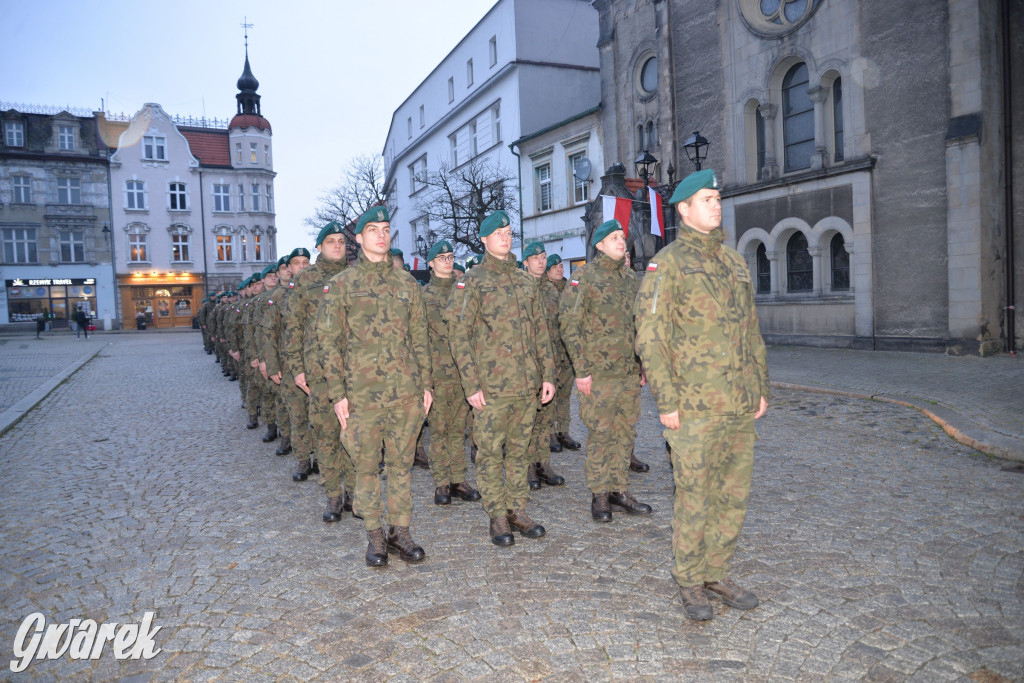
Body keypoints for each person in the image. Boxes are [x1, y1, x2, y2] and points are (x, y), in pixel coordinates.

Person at [634, 169, 769, 621]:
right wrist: (666, 402)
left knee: (733, 494)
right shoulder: (666, 264)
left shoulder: (734, 263)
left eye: (717, 198)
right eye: (707, 199)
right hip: (692, 407)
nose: (716, 205)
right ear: (684, 209)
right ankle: (690, 580)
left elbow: (750, 332)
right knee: (694, 494)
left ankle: (716, 571)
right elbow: (650, 338)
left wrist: (760, 387)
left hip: (735, 403)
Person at [317, 206, 432, 567]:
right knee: (366, 467)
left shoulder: (407, 284)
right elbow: (328, 343)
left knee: (401, 465)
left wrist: (425, 385)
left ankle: (400, 530)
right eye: (373, 230)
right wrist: (338, 394)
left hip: (405, 393)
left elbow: (420, 338)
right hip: (362, 395)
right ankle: (375, 534)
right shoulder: (342, 285)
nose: (382, 235)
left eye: (386, 229)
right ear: (360, 238)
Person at [446, 210, 556, 546]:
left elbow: (540, 330)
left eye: (508, 232)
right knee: (491, 452)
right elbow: (459, 335)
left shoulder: (525, 280)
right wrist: (471, 385)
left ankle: (517, 510)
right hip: (492, 387)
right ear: (484, 239)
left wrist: (548, 373)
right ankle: (497, 515)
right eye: (498, 233)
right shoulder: (473, 281)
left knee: (520, 452)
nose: (505, 238)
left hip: (526, 385)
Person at [560, 220, 651, 523]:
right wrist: (581, 370)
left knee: (625, 433)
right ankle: (599, 495)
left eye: (623, 237)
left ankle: (619, 490)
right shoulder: (583, 277)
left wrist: (641, 365)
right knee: (601, 435)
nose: (621, 241)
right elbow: (569, 326)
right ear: (599, 245)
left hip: (627, 373)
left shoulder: (629, 277)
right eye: (614, 238)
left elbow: (638, 324)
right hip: (597, 375)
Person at [284, 222, 357, 522]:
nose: (338, 246)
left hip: (355, 370)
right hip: (319, 371)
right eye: (331, 241)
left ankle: (353, 492)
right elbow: (293, 326)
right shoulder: (306, 279)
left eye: (341, 241)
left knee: (353, 434)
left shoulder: (355, 276)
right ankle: (333, 497)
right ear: (319, 247)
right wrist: (297, 368)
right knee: (326, 434)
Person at [422, 239, 481, 506]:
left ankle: (458, 479)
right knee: (439, 430)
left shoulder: (464, 292)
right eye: (441, 257)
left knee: (459, 430)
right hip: (437, 373)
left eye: (449, 256)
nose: (447, 261)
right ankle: (441, 483)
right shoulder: (424, 296)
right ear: (431, 264)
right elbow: (418, 339)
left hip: (463, 372)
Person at [522, 241, 566, 489]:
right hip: (527, 365)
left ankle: (542, 464)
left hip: (550, 364)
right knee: (528, 420)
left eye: (543, 257)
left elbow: (559, 327)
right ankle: (528, 467)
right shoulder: (520, 287)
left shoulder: (551, 290)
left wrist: (556, 362)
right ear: (525, 262)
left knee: (545, 419)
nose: (540, 261)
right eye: (535, 257)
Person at [544, 254, 581, 453]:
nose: (559, 269)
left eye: (560, 265)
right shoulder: (542, 290)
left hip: (567, 350)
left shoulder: (570, 289)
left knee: (565, 394)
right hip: (551, 351)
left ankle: (563, 431)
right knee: (550, 394)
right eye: (554, 267)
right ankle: (549, 432)